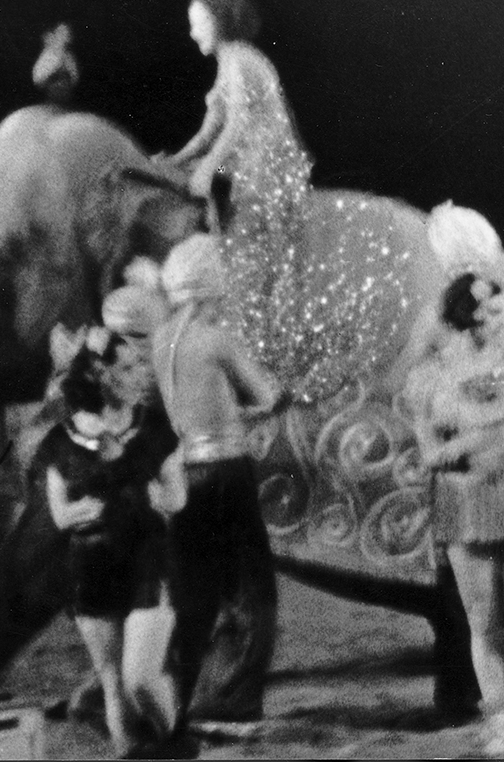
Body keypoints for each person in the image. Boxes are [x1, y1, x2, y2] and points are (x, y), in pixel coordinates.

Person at [404, 204, 504, 758]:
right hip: (465, 501)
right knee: (482, 620)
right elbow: (428, 452)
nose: (491, 321)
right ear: (458, 320)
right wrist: (468, 446)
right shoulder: (433, 381)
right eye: (481, 313)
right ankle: (498, 717)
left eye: (494, 311)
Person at [37, 267, 183, 758]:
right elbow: (61, 515)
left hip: (147, 559)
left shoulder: (152, 431)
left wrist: (160, 500)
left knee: (140, 679)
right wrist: (87, 509)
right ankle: (127, 749)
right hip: (91, 566)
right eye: (128, 369)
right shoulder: (63, 442)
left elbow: (175, 494)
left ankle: (170, 737)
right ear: (101, 378)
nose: (142, 373)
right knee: (111, 679)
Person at [153, 233, 284, 742]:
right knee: (251, 593)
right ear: (212, 285)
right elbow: (265, 394)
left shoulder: (162, 338)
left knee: (191, 591)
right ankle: (228, 704)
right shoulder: (215, 339)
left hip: (181, 472)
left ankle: (173, 700)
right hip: (225, 472)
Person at [159, 0, 312, 385]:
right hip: (246, 162)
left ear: (220, 21)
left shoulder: (242, 59)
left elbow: (241, 124)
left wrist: (209, 168)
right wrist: (178, 159)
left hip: (269, 169)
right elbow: (211, 130)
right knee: (194, 184)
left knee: (251, 249)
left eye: (199, 24)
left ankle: (269, 350)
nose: (192, 33)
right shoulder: (225, 63)